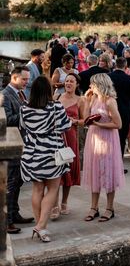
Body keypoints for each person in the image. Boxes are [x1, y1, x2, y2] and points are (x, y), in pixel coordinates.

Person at [20, 76, 72, 242]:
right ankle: (41, 226)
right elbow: (65, 126)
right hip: (50, 153)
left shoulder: (24, 108)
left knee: (37, 189)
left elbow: (23, 127)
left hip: (31, 153)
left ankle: (40, 227)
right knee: (53, 188)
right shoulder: (56, 106)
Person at [82, 73, 125, 222]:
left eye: (92, 84)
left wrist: (99, 124)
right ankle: (93, 207)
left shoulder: (110, 101)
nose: (90, 87)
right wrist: (87, 101)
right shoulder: (93, 99)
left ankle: (109, 208)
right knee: (95, 172)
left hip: (108, 140)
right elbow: (85, 119)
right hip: (94, 139)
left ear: (99, 85)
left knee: (108, 172)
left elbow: (118, 124)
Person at [1, 67, 33, 234]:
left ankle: (15, 213)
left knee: (18, 181)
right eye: (24, 80)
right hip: (11, 144)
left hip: (21, 143)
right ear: (14, 78)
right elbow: (5, 120)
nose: (27, 82)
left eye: (27, 79)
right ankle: (6, 221)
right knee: (11, 184)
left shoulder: (20, 93)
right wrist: (27, 115)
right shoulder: (5, 94)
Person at [52, 73, 84, 218]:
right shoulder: (56, 97)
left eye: (72, 81)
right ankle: (54, 204)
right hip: (55, 138)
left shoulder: (80, 100)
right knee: (55, 170)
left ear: (77, 84)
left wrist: (74, 121)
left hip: (71, 137)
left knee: (68, 170)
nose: (68, 83)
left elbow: (84, 120)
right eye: (67, 81)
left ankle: (64, 202)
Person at [109, 57, 130, 158]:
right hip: (124, 110)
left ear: (115, 65)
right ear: (125, 66)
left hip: (109, 110)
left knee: (109, 138)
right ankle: (118, 162)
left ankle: (109, 161)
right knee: (121, 138)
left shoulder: (108, 77)